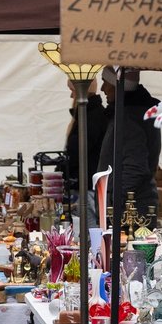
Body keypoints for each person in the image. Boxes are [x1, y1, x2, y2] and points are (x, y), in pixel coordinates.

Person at [97, 67, 161, 225]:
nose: (102, 89)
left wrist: (116, 203)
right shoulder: (137, 113)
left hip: (130, 212)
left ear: (118, 86)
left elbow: (134, 166)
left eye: (106, 82)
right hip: (134, 206)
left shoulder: (129, 118)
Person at [57, 78, 107, 224]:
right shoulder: (88, 116)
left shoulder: (91, 118)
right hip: (84, 188)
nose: (71, 96)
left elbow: (76, 153)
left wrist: (61, 171)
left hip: (86, 190)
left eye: (72, 91)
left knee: (87, 234)